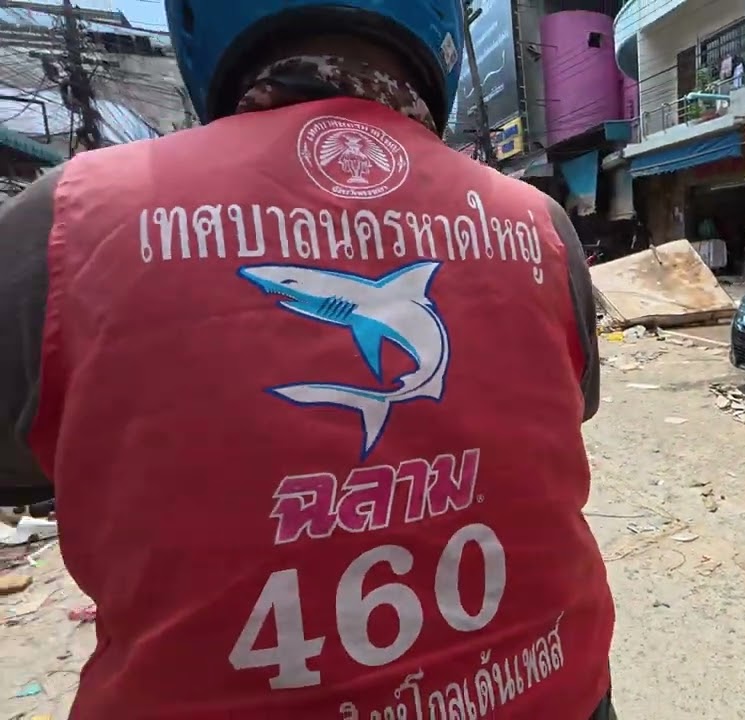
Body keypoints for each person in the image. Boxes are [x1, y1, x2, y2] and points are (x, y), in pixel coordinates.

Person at [0, 1, 616, 718]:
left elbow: (24, 472)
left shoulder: (67, 214)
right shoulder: (540, 224)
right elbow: (571, 408)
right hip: (556, 692)